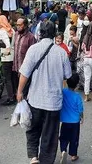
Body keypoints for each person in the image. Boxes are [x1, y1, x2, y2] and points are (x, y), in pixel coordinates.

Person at [17, 21, 72, 164]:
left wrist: (19, 92)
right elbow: (68, 75)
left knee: (33, 128)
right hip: (53, 102)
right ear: (54, 34)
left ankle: (34, 157)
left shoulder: (33, 49)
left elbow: (24, 74)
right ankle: (46, 160)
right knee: (50, 133)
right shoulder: (61, 53)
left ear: (40, 33)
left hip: (35, 99)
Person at [59, 73, 83, 164]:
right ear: (77, 85)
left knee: (63, 137)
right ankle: (73, 155)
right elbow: (80, 109)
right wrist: (82, 117)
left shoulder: (63, 92)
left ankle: (63, 151)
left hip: (65, 120)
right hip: (75, 121)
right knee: (74, 138)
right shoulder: (77, 96)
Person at [13, 16, 36, 90]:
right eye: (17, 25)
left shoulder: (31, 37)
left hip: (25, 70)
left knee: (24, 91)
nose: (18, 27)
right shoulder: (16, 34)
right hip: (16, 68)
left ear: (25, 25)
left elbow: (33, 54)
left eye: (20, 25)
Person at [0, 15, 16, 106]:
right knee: (12, 77)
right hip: (13, 56)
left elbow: (7, 44)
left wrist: (6, 52)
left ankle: (10, 97)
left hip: (6, 57)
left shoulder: (3, 31)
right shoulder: (12, 30)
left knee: (7, 78)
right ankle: (14, 95)